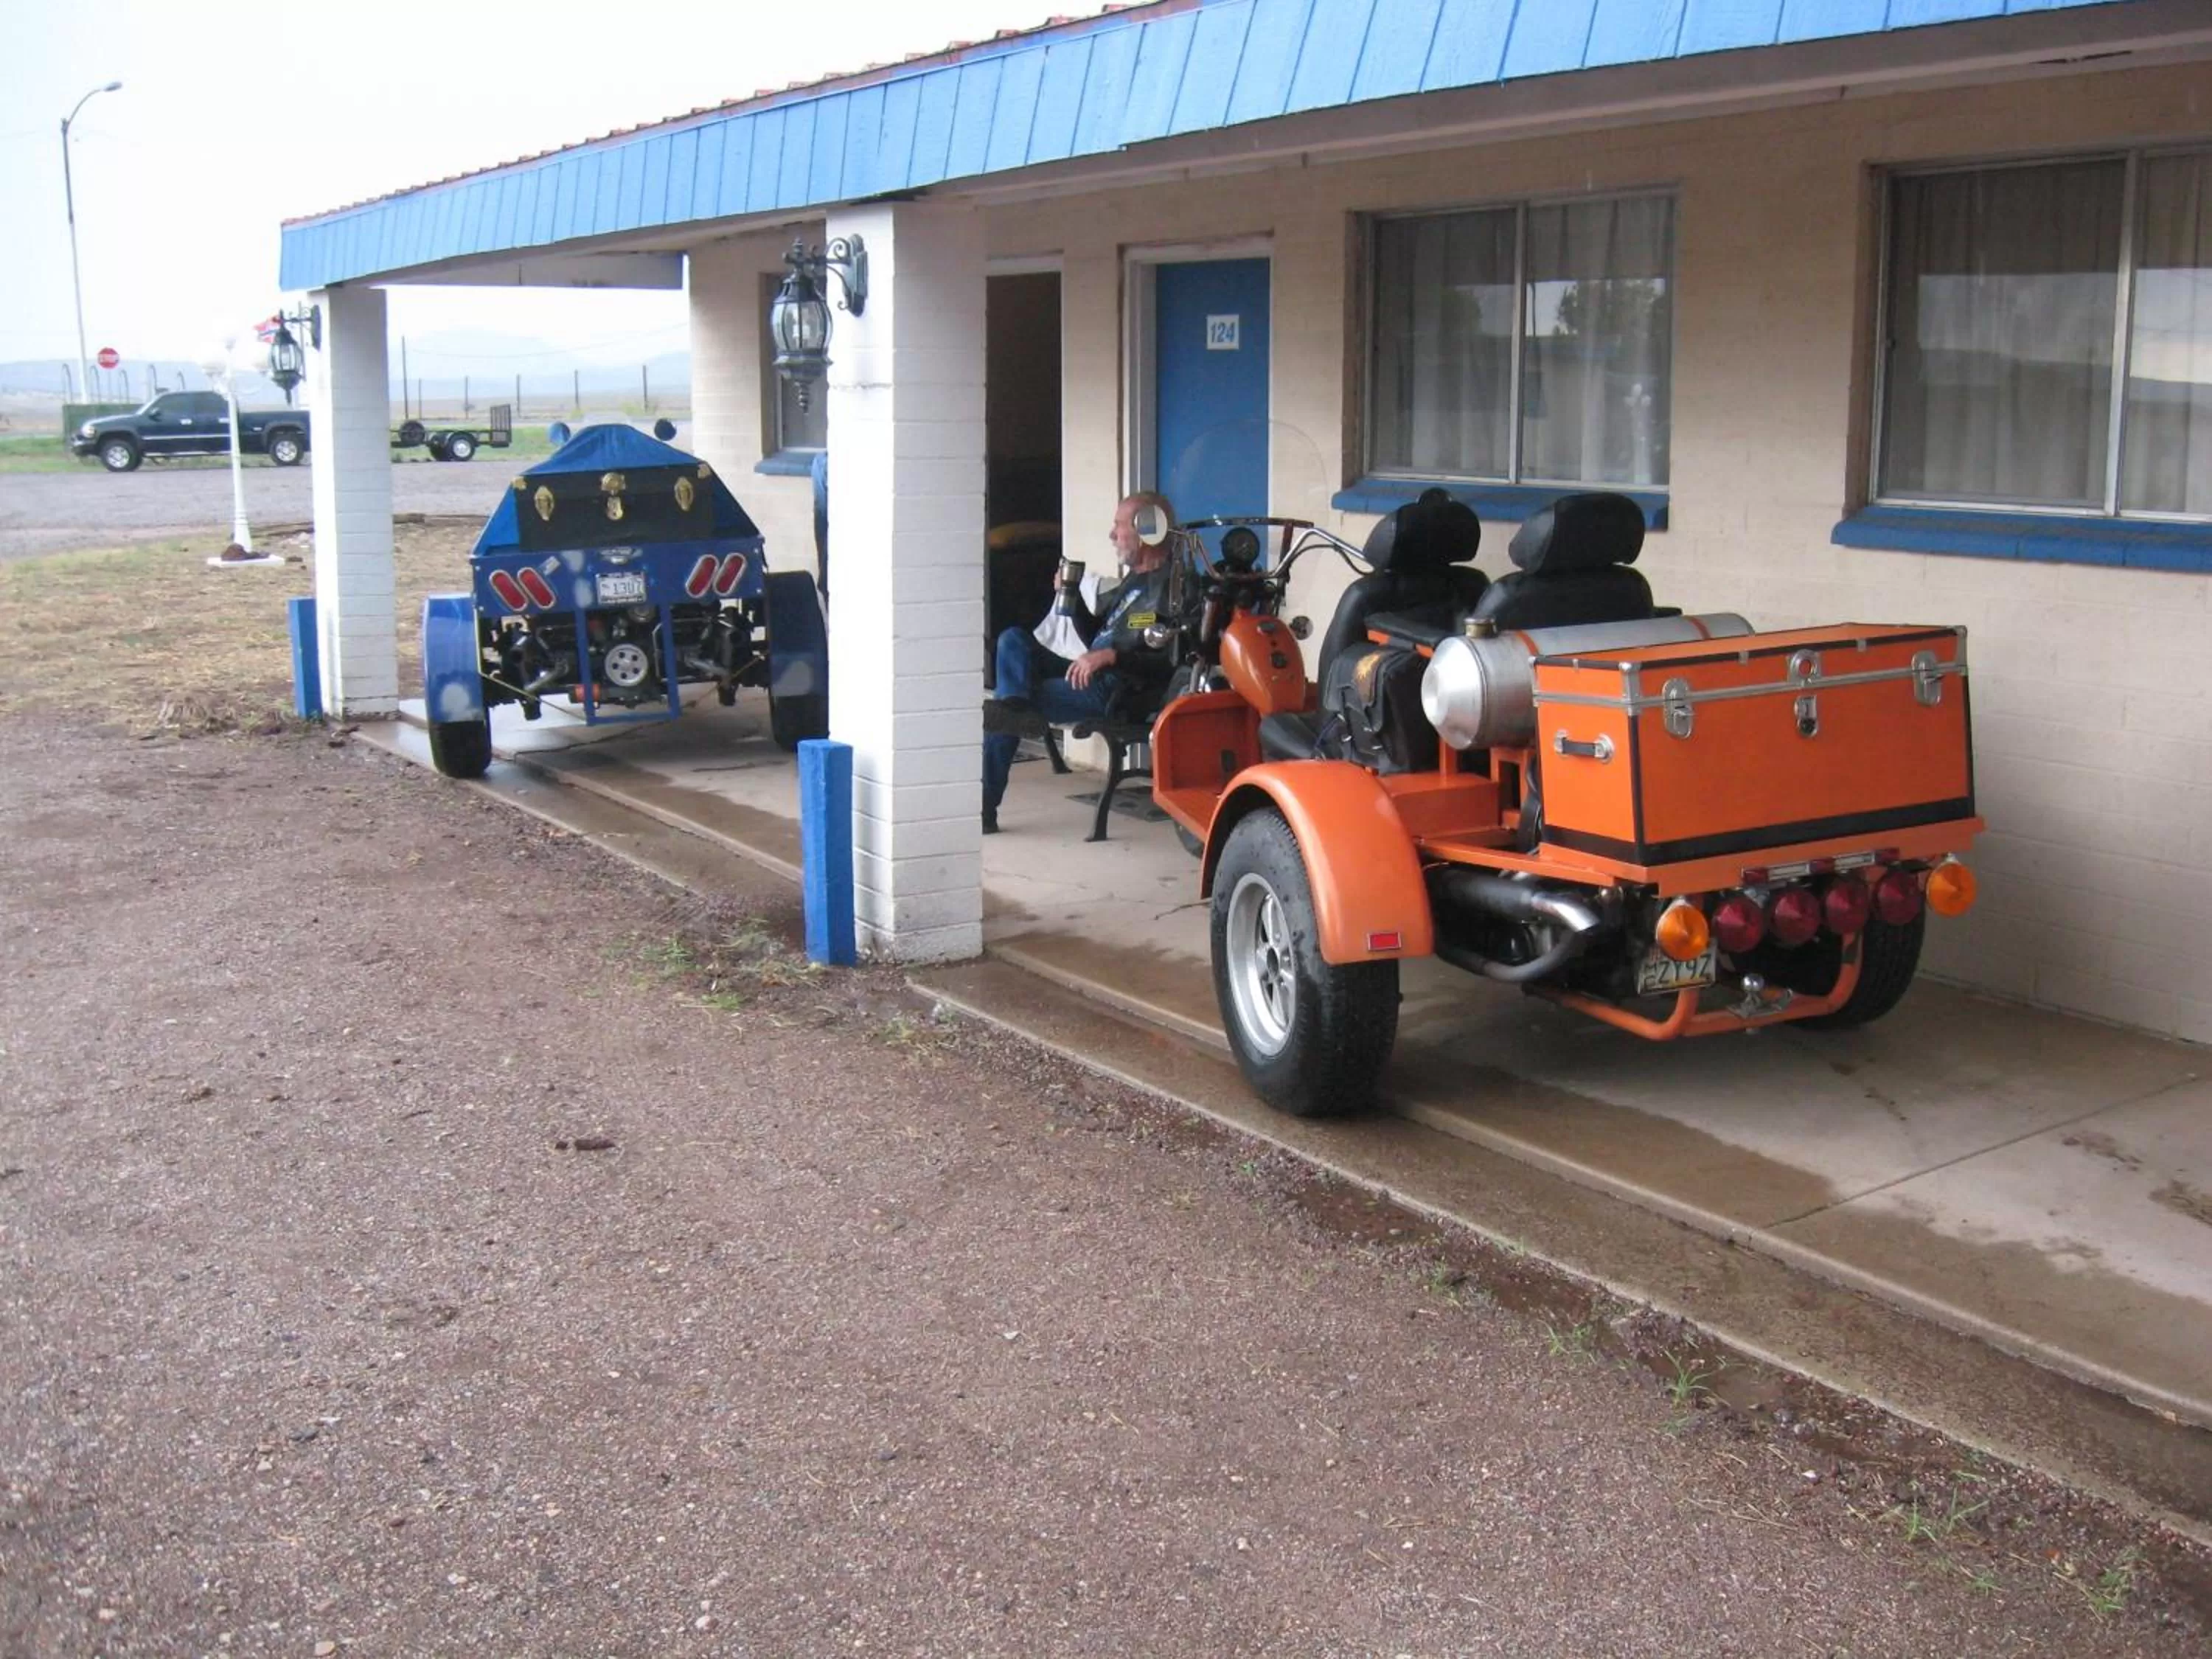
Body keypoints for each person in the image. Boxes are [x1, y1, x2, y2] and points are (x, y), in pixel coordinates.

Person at [981, 490, 1177, 834]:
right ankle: (1016, 706)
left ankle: (984, 807)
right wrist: (1069, 598)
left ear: (1148, 530)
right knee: (1012, 640)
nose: (1112, 535)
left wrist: (1113, 656)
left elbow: (1166, 661)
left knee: (1007, 710)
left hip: (1114, 690)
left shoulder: (1172, 589)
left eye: (1118, 526)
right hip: (1091, 673)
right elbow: (1099, 635)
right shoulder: (1135, 580)